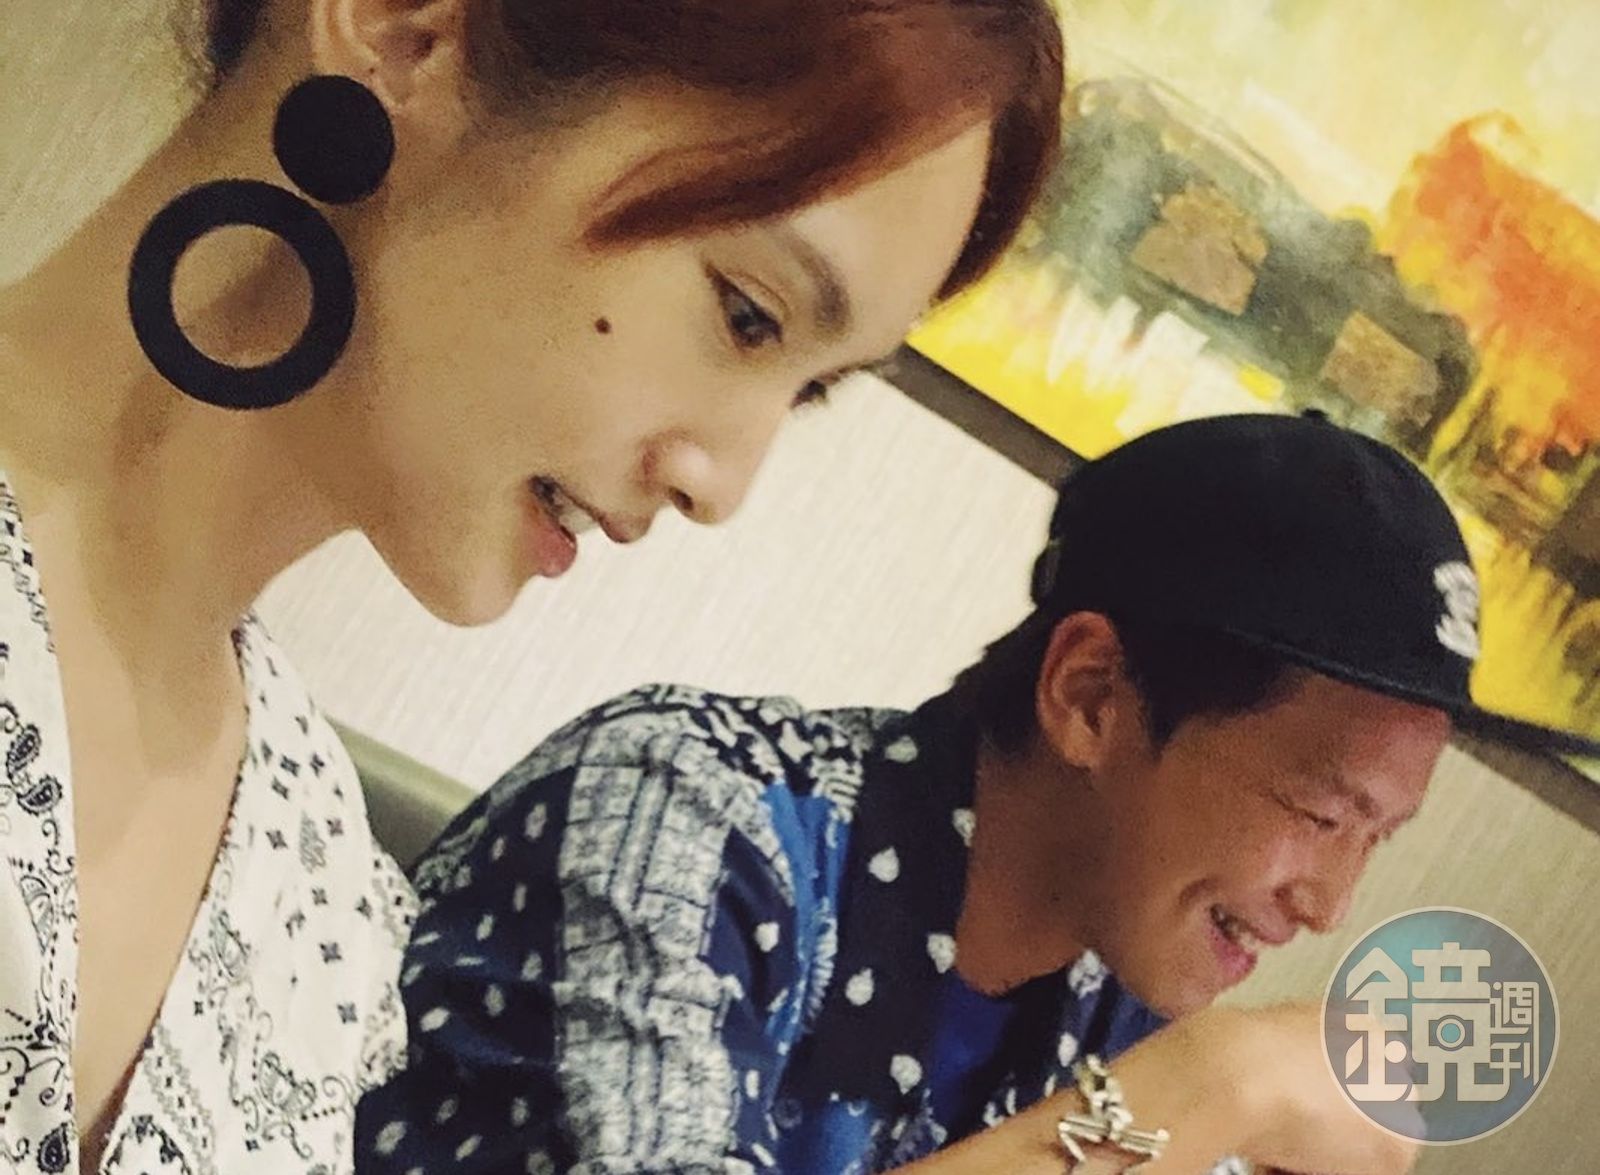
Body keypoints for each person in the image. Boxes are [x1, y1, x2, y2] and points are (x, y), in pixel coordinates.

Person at [0, 0, 1063, 1169]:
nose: (724, 486)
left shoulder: (310, 872)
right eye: (746, 313)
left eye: (808, 390)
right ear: (402, 32)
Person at [356, 412, 1600, 1174]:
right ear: (1090, 693)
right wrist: (1204, 1093)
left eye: (1376, 838)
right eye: (1320, 814)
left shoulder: (1128, 1003)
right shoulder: (688, 812)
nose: (1327, 904)